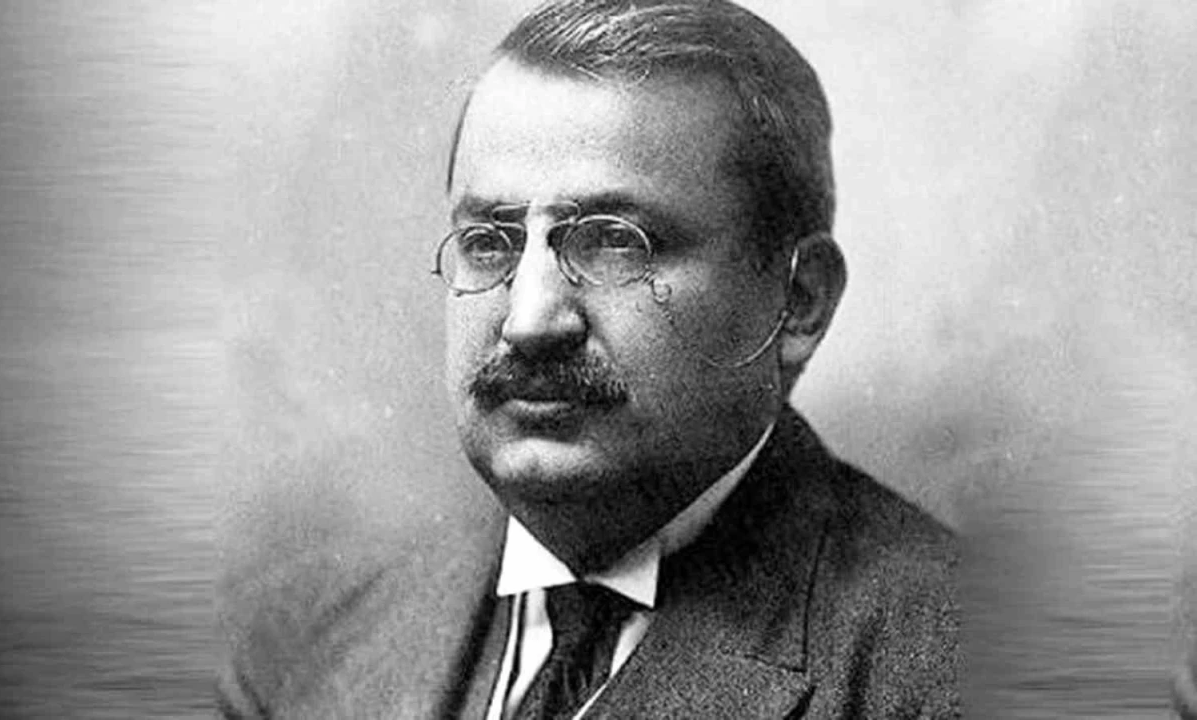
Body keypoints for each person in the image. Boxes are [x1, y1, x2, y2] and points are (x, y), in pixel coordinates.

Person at [217, 1, 958, 717]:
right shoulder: (295, 650)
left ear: (797, 301)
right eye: (489, 243)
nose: (530, 321)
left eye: (613, 242)